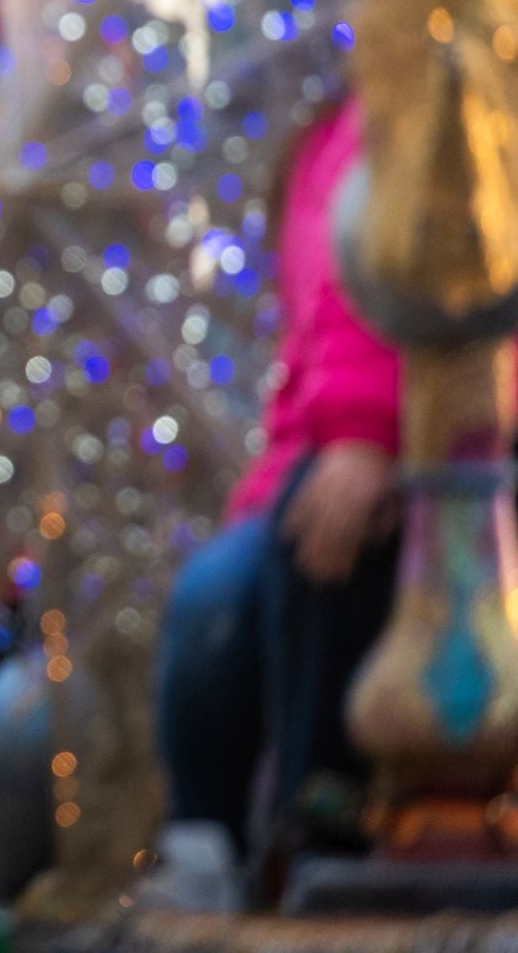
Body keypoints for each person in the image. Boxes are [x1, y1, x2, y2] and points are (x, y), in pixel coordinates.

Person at [154, 96, 416, 901]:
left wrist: (366, 433)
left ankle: (313, 834)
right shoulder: (337, 137)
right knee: (216, 604)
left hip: (431, 447)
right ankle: (229, 846)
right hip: (338, 449)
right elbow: (334, 313)